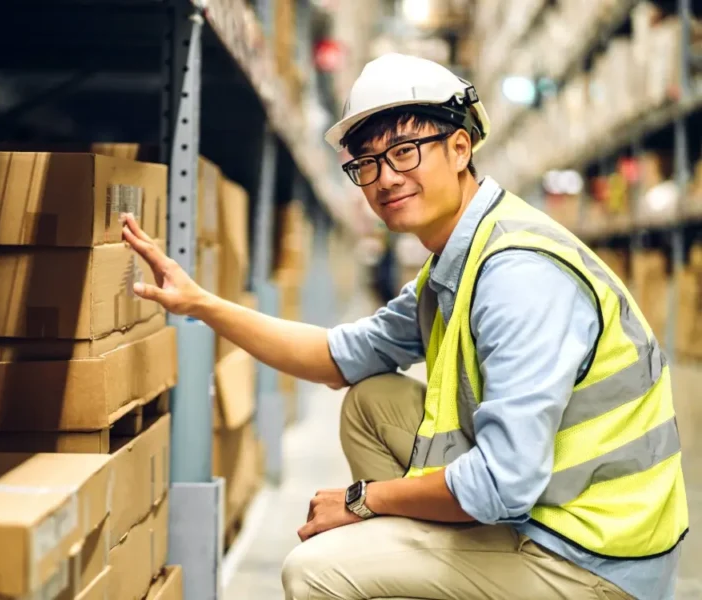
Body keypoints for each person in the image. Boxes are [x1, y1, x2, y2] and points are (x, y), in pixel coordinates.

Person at [123, 54, 688, 600]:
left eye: (405, 151)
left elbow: (503, 482)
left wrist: (364, 501)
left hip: (590, 557)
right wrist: (201, 304)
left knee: (315, 572)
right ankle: (419, 563)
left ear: (460, 147)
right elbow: (335, 356)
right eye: (367, 163)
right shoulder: (456, 265)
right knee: (373, 402)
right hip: (545, 512)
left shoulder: (517, 275)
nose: (385, 179)